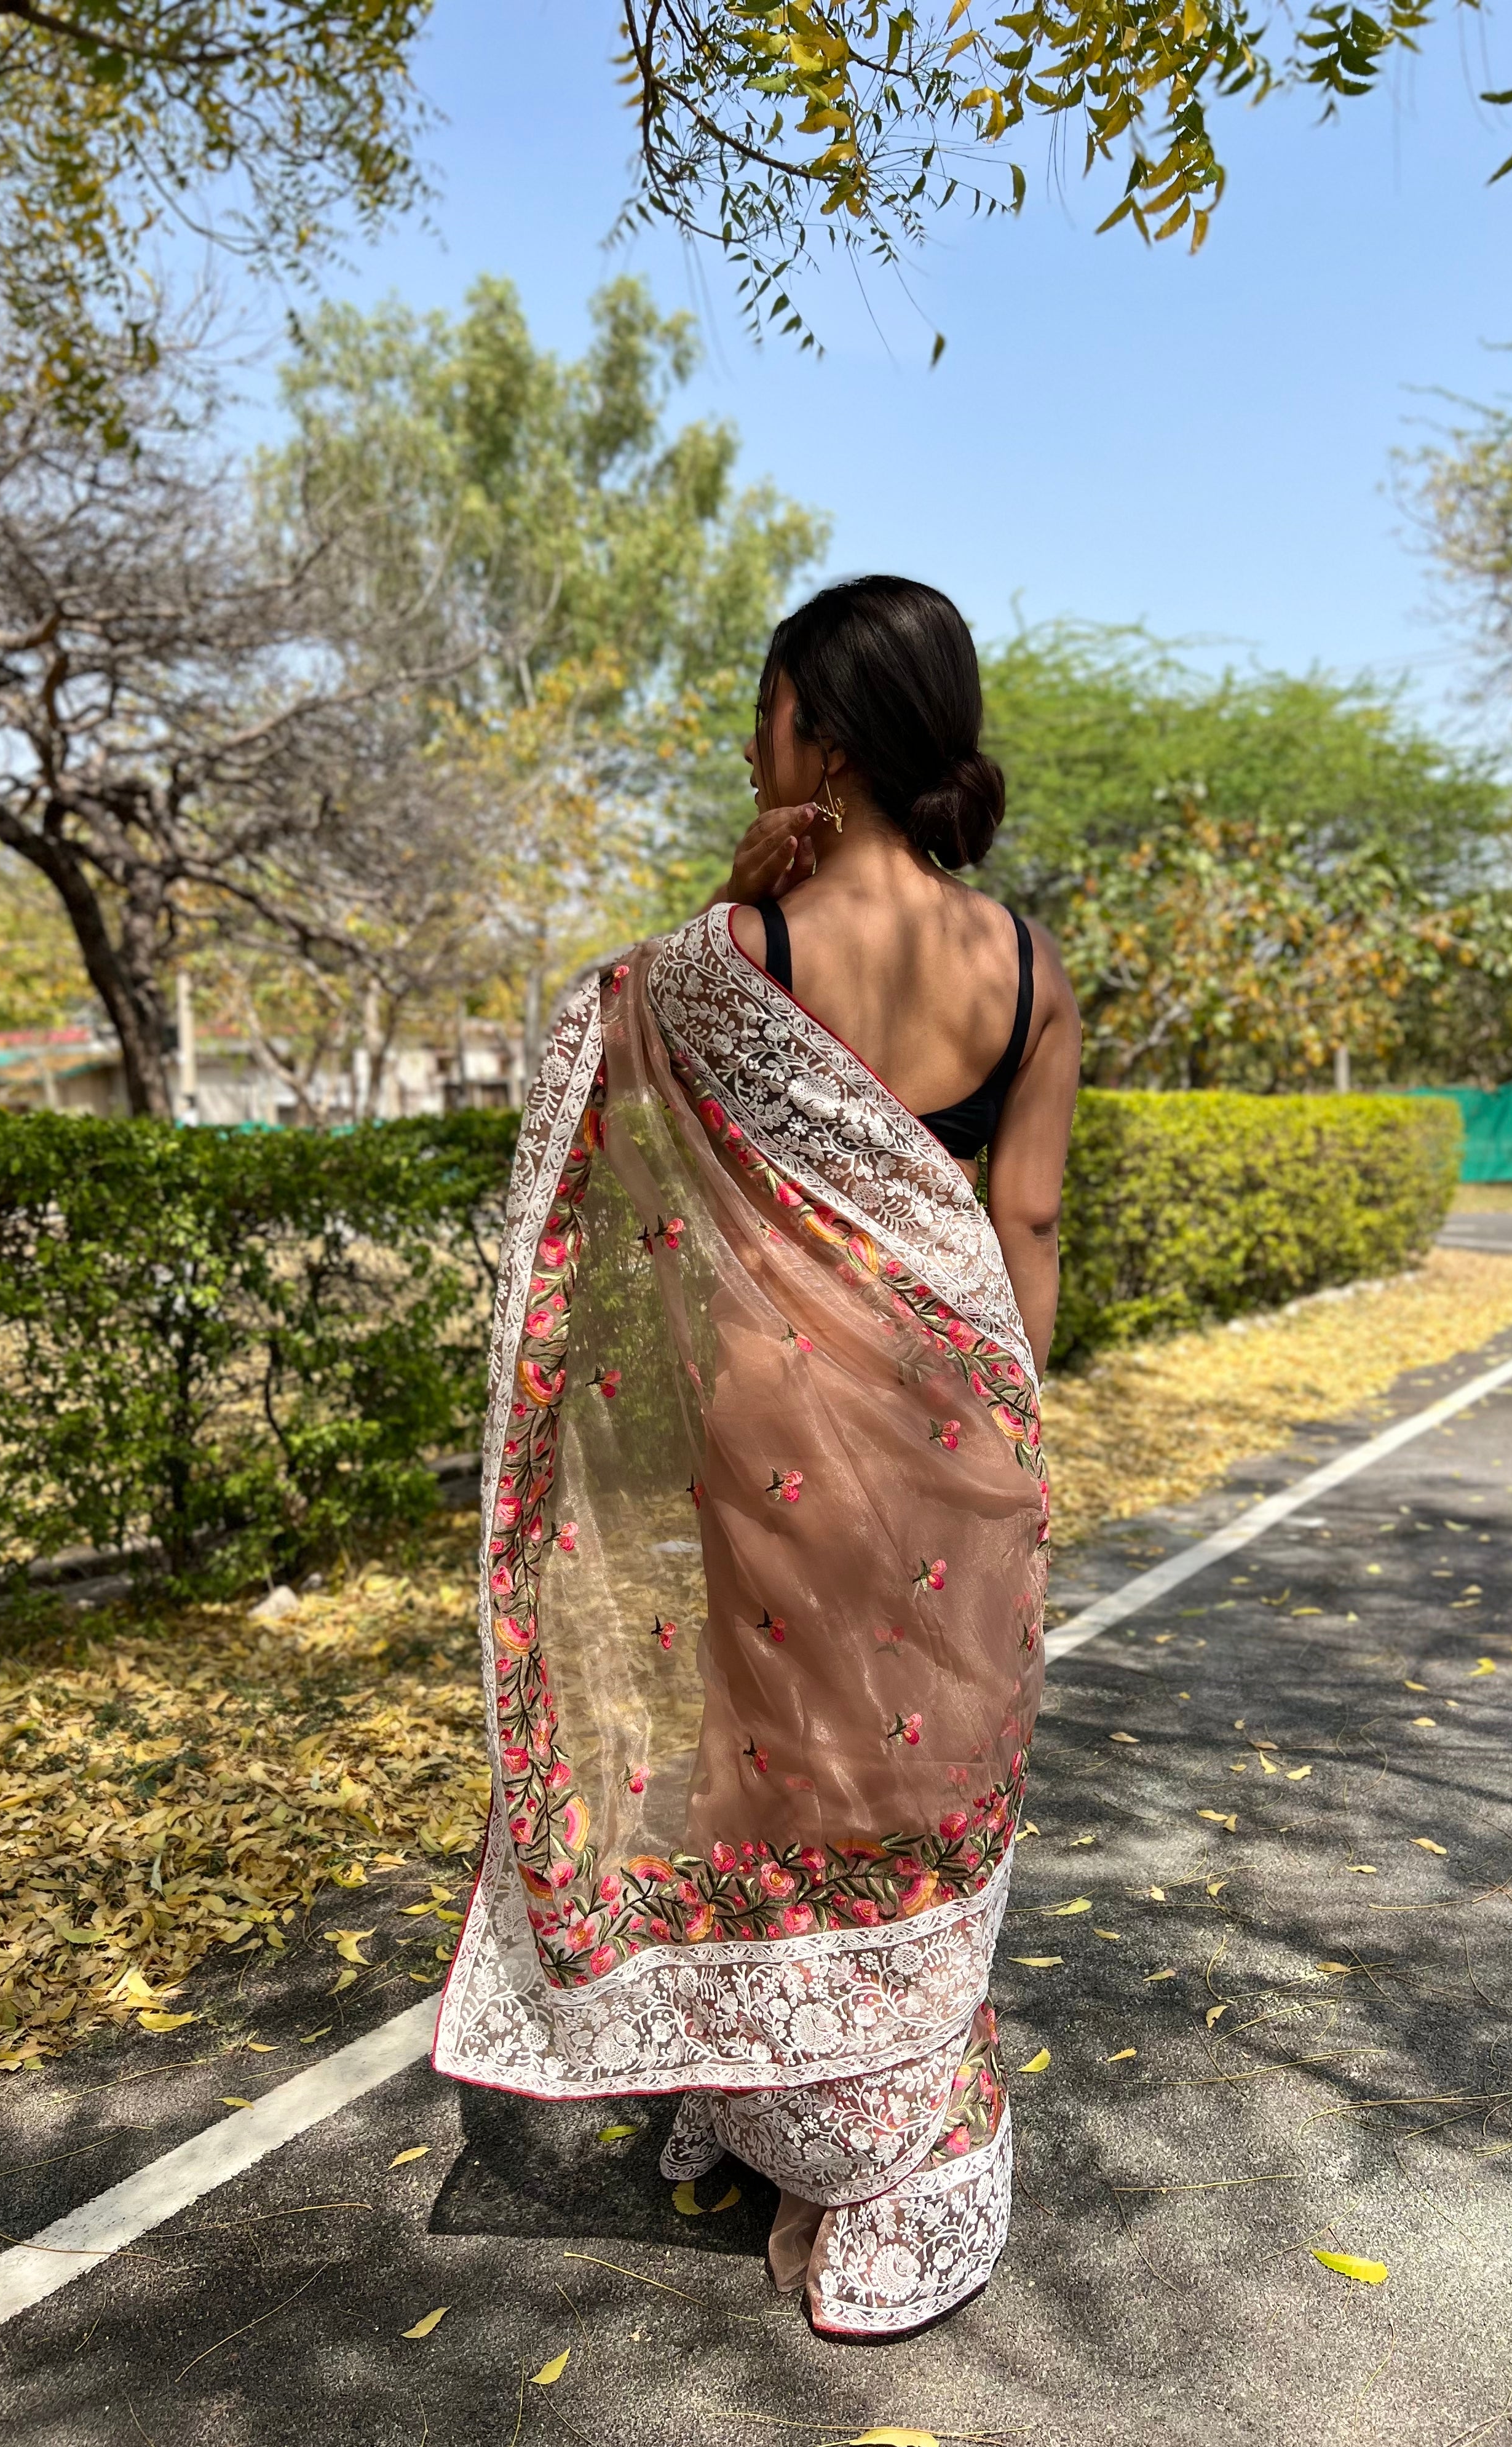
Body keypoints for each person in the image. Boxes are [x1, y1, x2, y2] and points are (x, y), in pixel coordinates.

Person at [433, 574, 1082, 2338]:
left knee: (792, 1775)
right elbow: (1021, 1229)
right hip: (969, 1438)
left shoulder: (721, 971)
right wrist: (1003, 1449)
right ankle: (863, 2105)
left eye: (768, 710)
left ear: (832, 738)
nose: (746, 739)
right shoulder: (1025, 966)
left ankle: (853, 2120)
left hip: (775, 1440)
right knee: (923, 1788)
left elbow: (619, 1102)